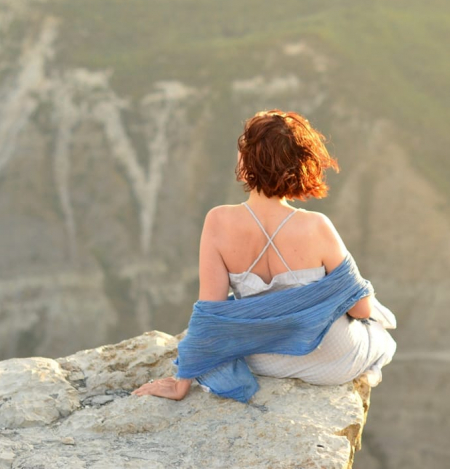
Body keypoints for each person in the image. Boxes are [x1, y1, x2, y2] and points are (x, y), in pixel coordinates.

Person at [132, 110, 396, 401]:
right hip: (331, 358)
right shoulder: (317, 226)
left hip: (263, 359)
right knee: (378, 326)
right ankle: (370, 371)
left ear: (246, 161)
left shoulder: (218, 222)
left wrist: (182, 382)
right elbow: (360, 310)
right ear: (300, 165)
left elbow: (211, 314)